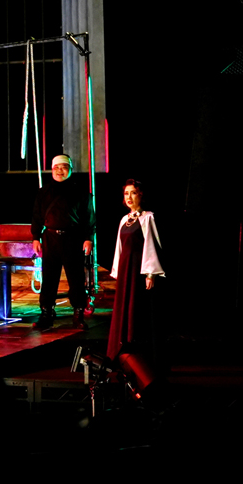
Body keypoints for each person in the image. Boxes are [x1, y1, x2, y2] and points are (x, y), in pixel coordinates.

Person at [30, 154, 94, 329]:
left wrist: (88, 238)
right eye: (56, 167)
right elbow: (36, 216)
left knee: (76, 278)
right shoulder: (43, 192)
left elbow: (89, 217)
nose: (60, 171)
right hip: (50, 238)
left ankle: (78, 313)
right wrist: (35, 237)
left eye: (64, 167)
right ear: (52, 170)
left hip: (73, 238)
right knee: (49, 278)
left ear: (70, 169)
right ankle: (47, 313)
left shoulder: (80, 192)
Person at [107, 179, 165, 367]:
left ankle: (142, 356)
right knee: (123, 309)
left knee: (137, 310)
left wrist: (151, 273)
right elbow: (119, 248)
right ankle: (122, 352)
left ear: (140, 195)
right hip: (126, 270)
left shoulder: (148, 218)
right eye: (126, 193)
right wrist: (117, 272)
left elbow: (151, 244)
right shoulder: (124, 219)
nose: (129, 197)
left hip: (138, 270)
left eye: (133, 193)